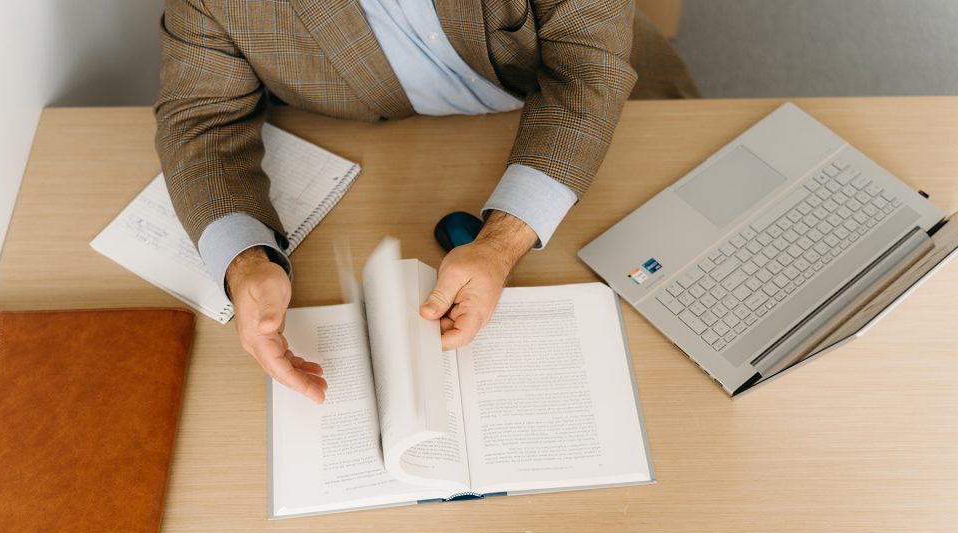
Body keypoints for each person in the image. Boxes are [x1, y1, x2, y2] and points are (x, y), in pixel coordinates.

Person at [155, 0, 698, 404]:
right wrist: (245, 263)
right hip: (401, 145)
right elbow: (200, 122)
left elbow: (587, 77)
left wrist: (503, 242)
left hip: (619, 120)